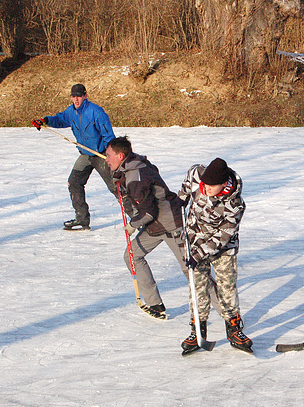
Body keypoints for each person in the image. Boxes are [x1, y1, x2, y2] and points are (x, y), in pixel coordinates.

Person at [104, 136, 189, 319]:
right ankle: (154, 304)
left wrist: (132, 226)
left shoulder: (136, 175)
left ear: (120, 156)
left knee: (189, 268)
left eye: (109, 155)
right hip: (155, 225)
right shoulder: (134, 162)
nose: (106, 158)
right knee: (132, 255)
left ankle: (221, 305)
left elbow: (148, 212)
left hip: (172, 223)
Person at [32, 83, 134, 230]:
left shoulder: (96, 112)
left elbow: (109, 136)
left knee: (115, 187)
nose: (76, 99)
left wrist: (110, 156)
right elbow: (60, 119)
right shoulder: (71, 111)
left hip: (101, 155)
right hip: (85, 155)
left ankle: (136, 217)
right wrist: (45, 120)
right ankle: (82, 218)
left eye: (79, 96)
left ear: (85, 96)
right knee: (73, 182)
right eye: (73, 96)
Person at [177, 158, 252, 354]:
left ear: (224, 183)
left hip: (222, 248)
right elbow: (189, 181)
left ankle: (234, 329)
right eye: (204, 184)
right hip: (194, 240)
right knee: (197, 288)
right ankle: (197, 332)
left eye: (211, 186)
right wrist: (182, 196)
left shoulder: (235, 204)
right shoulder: (197, 174)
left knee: (227, 288)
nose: (206, 189)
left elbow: (223, 236)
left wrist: (199, 254)